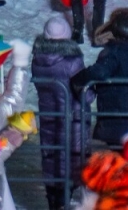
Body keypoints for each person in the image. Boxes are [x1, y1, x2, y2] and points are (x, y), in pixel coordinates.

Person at [71, 7, 128, 147]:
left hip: (115, 119)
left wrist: (78, 80)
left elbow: (98, 72)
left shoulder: (113, 53)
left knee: (118, 157)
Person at [32, 14, 85, 210]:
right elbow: (84, 93)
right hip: (72, 118)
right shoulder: (72, 61)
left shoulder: (38, 59)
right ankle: (63, 200)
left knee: (52, 157)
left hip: (49, 116)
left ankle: (53, 200)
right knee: (69, 158)